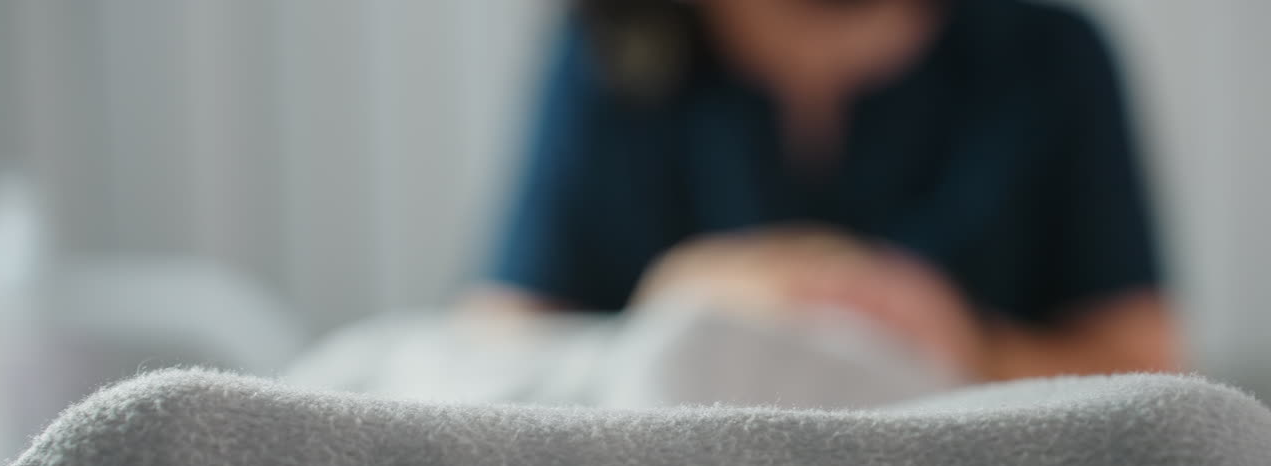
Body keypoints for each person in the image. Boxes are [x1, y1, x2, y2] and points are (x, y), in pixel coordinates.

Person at [476, 0, 1181, 381]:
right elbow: (499, 345)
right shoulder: (617, 47)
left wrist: (968, 343)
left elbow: (1147, 371)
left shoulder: (1050, 57)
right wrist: (681, 294)